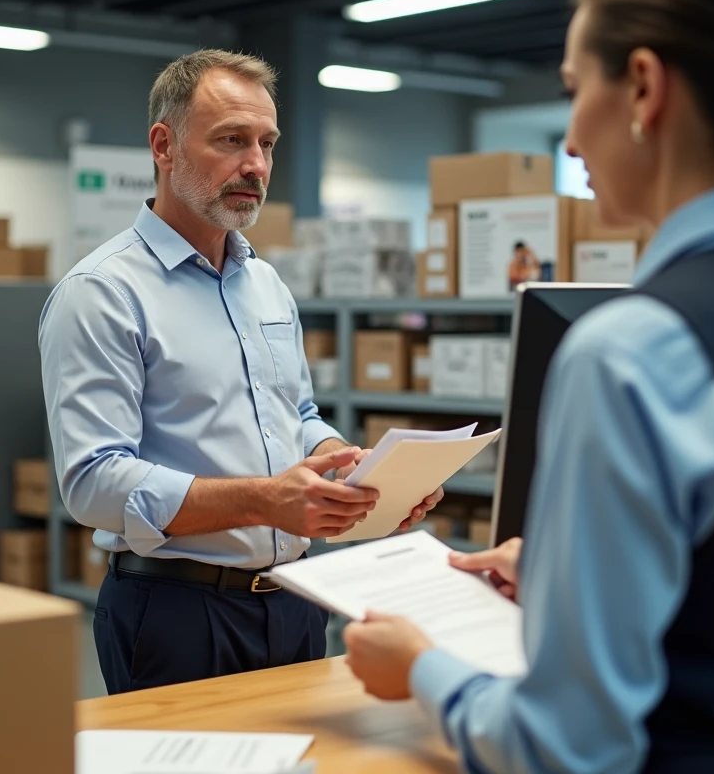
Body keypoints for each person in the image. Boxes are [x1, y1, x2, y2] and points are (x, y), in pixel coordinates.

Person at [343, 0, 714, 772]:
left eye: (574, 90)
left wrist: (421, 668)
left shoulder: (629, 352)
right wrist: (578, 584)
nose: (571, 142)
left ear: (645, 89)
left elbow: (566, 745)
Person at [38, 50, 441, 695]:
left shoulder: (266, 284)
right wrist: (265, 499)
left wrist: (352, 471)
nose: (256, 164)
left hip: (296, 599)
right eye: (231, 140)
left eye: (266, 143)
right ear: (164, 146)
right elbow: (93, 482)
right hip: (176, 611)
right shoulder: (102, 293)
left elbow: (297, 415)